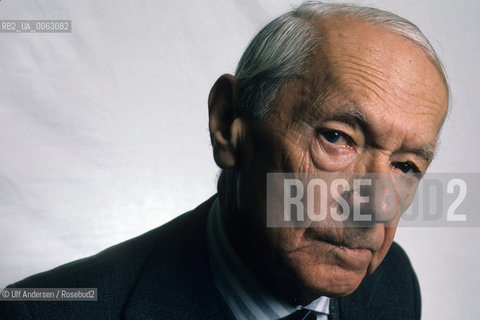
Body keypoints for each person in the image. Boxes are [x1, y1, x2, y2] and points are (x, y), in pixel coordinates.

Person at [0, 1, 448, 319]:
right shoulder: (42, 311)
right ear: (228, 121)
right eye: (337, 138)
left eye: (406, 166)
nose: (376, 205)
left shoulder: (394, 286)